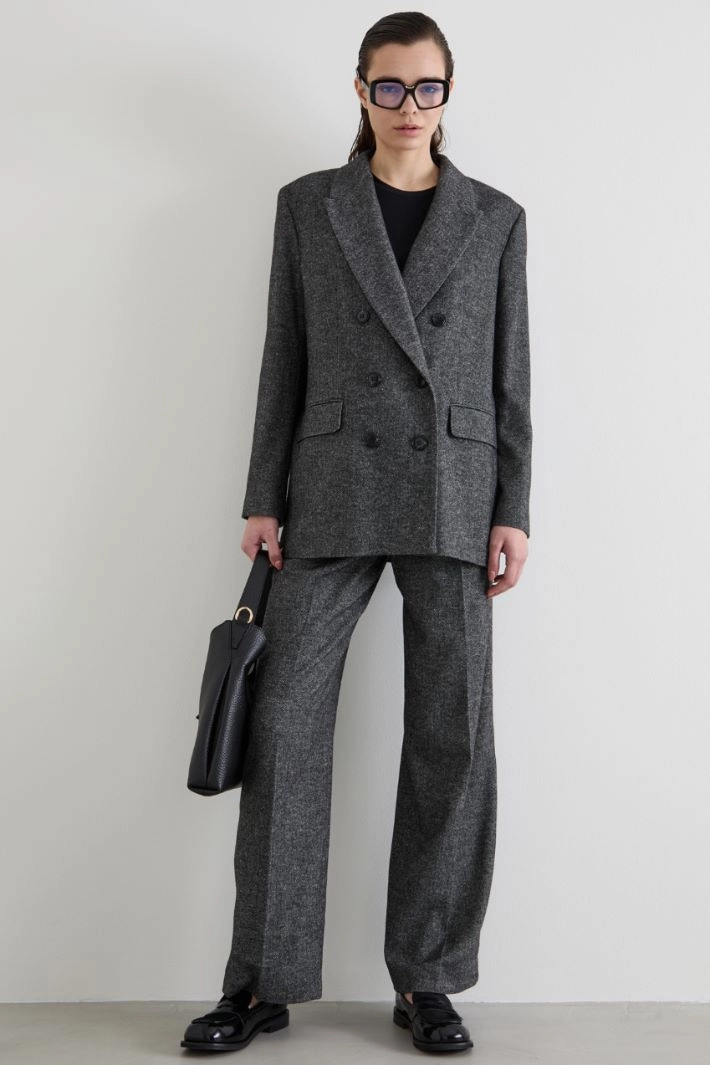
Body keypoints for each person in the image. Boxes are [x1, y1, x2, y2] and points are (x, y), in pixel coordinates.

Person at [181, 10, 531, 1056]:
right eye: (389, 86)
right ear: (360, 90)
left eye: (427, 87)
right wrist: (262, 495)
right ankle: (262, 978)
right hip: (330, 480)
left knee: (451, 734)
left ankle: (427, 978)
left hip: (452, 486)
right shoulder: (308, 205)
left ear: (448, 92)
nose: (408, 107)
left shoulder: (496, 218)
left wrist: (513, 508)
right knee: (284, 723)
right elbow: (280, 357)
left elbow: (511, 378)